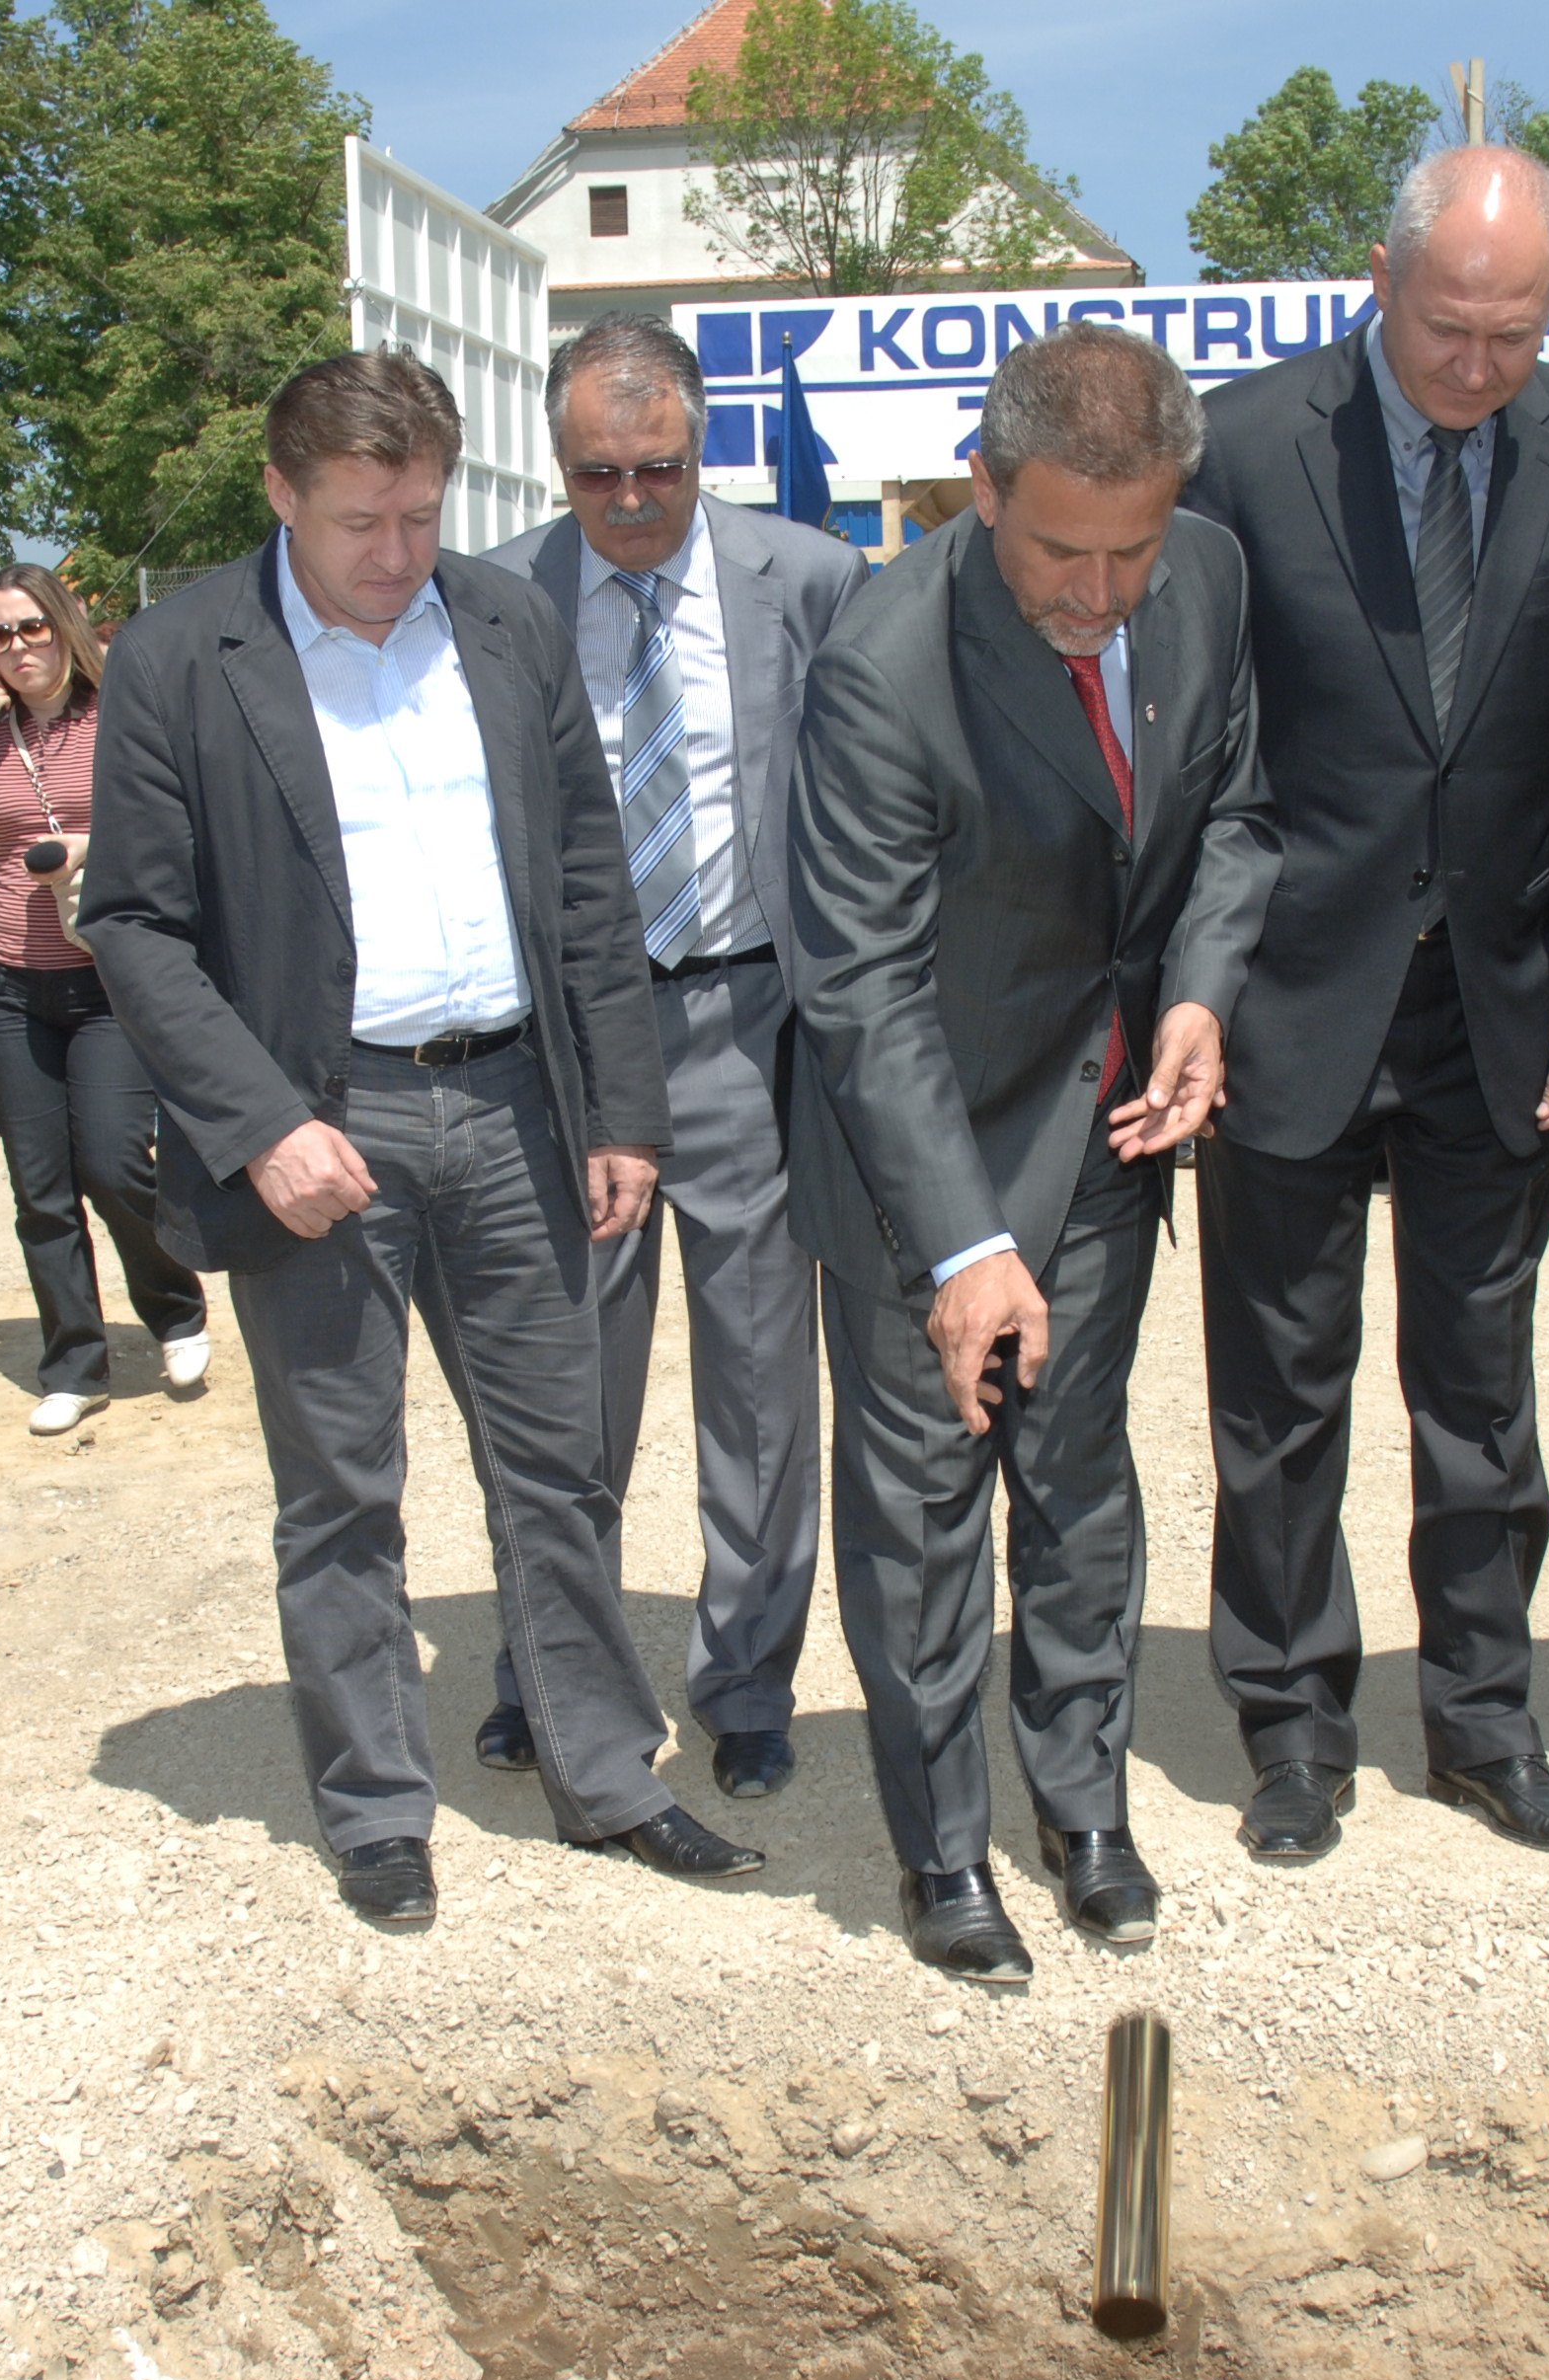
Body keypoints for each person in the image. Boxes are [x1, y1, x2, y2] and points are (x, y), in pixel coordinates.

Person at [80, 348, 761, 1927]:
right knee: (342, 1487)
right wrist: (262, 1126)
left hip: (519, 1106)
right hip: (324, 1128)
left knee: (559, 1469)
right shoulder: (184, 657)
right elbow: (134, 925)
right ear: (280, 493)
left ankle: (608, 1774)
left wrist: (621, 1108)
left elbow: (586, 878)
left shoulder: (507, 625)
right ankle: (378, 1808)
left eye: (420, 516)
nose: (395, 555)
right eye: (357, 522)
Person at [1178, 146, 1549, 1870]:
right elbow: (1199, 748)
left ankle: (1485, 1720)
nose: (1476, 365)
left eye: (1514, 334)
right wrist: (1195, 994)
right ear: (1378, 282)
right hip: (1290, 998)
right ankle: (1291, 1726)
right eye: (1449, 327)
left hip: (1499, 1005)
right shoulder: (1243, 445)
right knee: (1278, 1395)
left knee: (1480, 1394)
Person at [785, 324, 1280, 1980]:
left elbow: (1234, 815)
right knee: (925, 1510)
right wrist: (961, 1244)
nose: (1101, 591)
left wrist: (1198, 994)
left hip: (1104, 1129)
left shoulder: (1205, 578)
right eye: (1062, 548)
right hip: (918, 1156)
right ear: (981, 486)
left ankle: (1084, 1810)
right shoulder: (883, 663)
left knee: (1077, 1483)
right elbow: (861, 983)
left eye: (1132, 550)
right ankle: (942, 1848)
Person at [473, 317, 859, 1805]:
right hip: (574, 1041)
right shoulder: (496, 596)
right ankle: (548, 1668)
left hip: (751, 1024)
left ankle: (746, 1680)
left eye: (660, 469)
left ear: (705, 447)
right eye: (597, 474)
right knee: (569, 1383)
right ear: (555, 460)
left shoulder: (808, 579)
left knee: (759, 1382)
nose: (630, 501)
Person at [0, 562, 212, 1429]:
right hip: (7, 979)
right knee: (39, 1186)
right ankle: (75, 1364)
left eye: (32, 627)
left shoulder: (118, 709)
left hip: (106, 975)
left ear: (63, 626)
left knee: (113, 1160)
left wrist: (87, 845)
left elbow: (176, 820)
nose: (19, 648)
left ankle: (175, 1309)